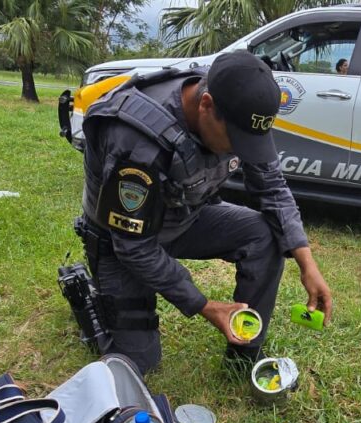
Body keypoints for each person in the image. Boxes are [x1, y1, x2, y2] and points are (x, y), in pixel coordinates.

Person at [77, 51, 333, 375]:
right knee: (139, 362)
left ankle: (243, 353)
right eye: (235, 140)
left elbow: (271, 187)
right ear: (206, 105)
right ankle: (90, 292)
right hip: (122, 240)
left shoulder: (238, 110)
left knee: (265, 235)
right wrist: (205, 306)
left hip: (183, 218)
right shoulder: (137, 141)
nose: (241, 150)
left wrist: (306, 263)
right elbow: (133, 246)